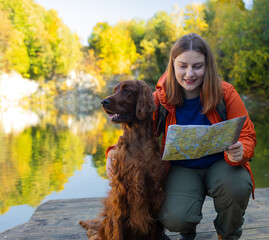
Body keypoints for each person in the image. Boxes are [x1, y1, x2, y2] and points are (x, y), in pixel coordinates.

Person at [106, 33, 256, 240]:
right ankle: (188, 231)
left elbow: (247, 134)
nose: (190, 73)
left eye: (197, 66)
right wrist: (113, 151)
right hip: (182, 167)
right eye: (183, 66)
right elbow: (136, 131)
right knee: (175, 217)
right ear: (173, 65)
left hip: (222, 163)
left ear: (208, 66)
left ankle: (228, 235)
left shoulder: (226, 94)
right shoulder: (160, 99)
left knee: (237, 188)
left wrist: (242, 149)